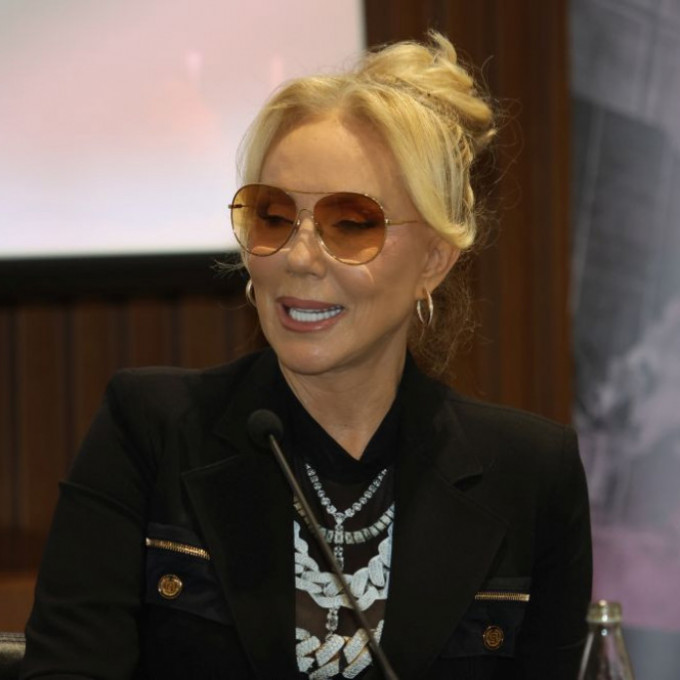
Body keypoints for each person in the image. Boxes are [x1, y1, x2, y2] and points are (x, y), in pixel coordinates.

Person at [20, 32, 592, 680]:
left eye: (350, 225)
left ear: (433, 260)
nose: (298, 257)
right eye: (272, 216)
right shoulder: (151, 430)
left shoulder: (530, 474)